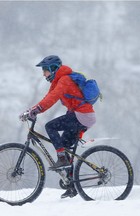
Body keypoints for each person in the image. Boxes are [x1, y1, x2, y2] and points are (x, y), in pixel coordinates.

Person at [19, 55, 96, 198]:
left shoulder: (64, 80)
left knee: (50, 127)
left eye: (45, 70)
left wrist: (36, 110)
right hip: (80, 116)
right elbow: (47, 98)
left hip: (82, 115)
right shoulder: (58, 81)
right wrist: (31, 110)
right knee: (65, 147)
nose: (43, 74)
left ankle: (61, 158)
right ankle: (72, 185)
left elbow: (52, 98)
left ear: (53, 69)